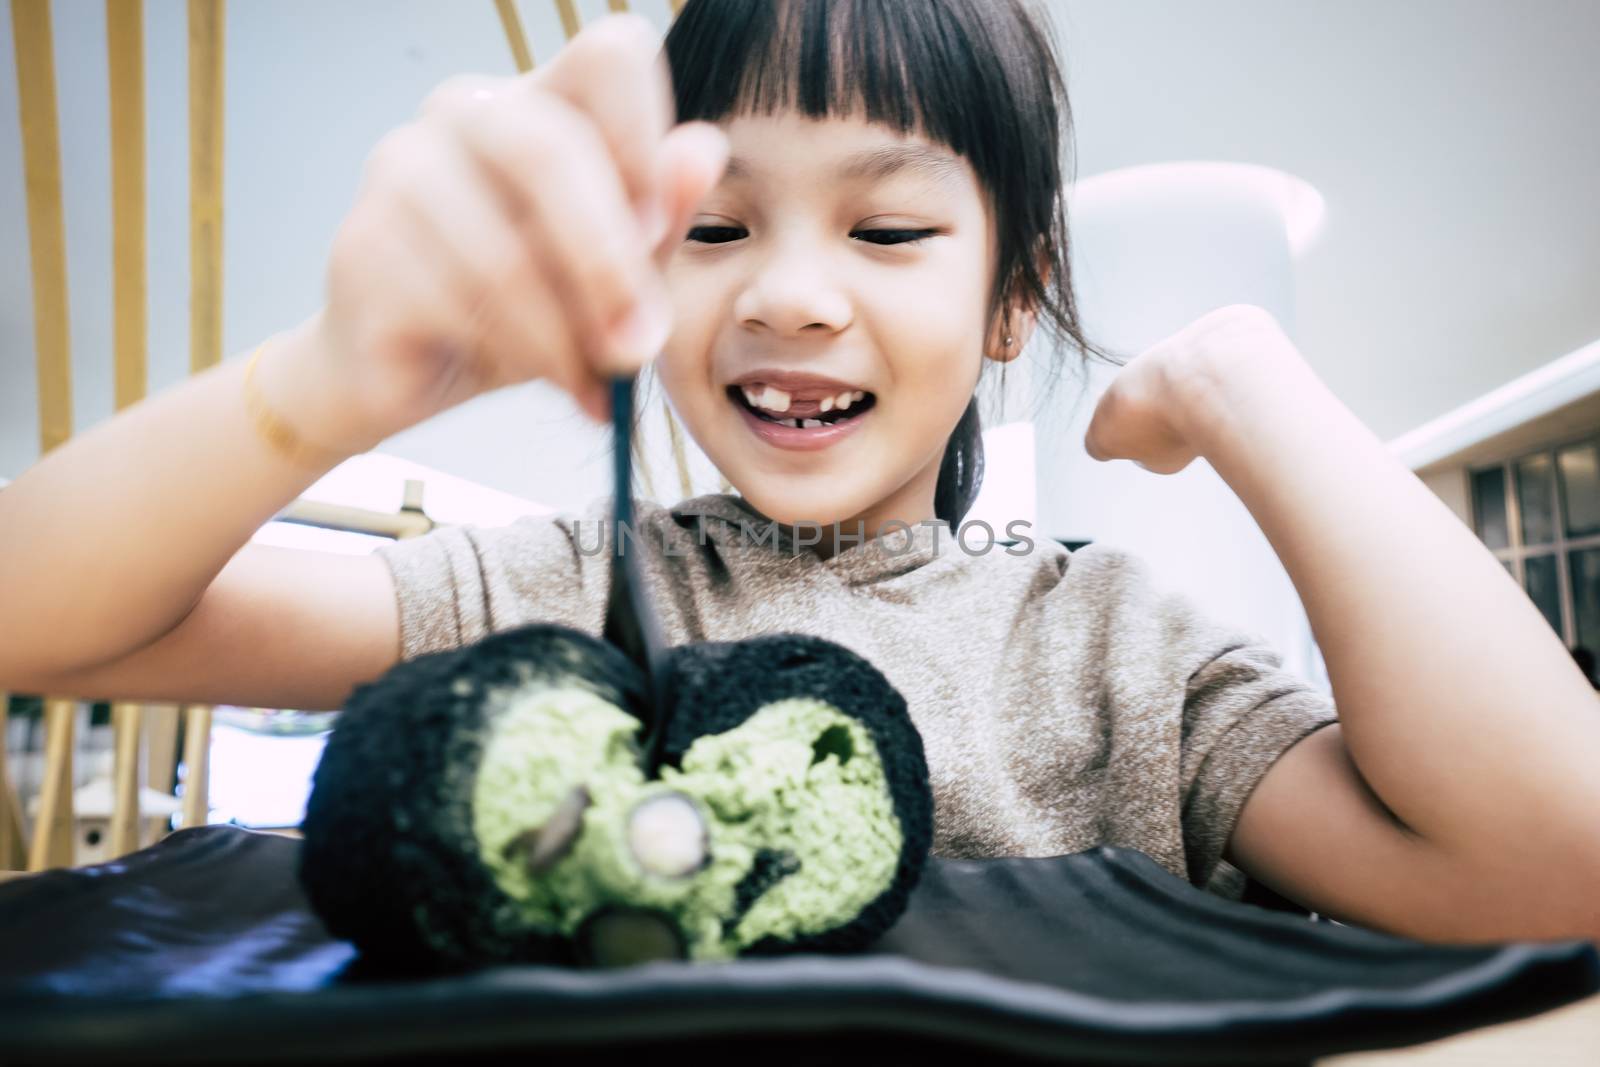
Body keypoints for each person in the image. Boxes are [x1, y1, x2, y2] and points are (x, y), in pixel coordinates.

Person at [1, 0, 1596, 946]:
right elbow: (46, 622)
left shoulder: (1116, 654)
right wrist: (328, 384)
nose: (788, 293)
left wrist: (1254, 396)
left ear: (1011, 302)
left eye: (889, 229)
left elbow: (1552, 869)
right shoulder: (572, 590)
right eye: (715, 225)